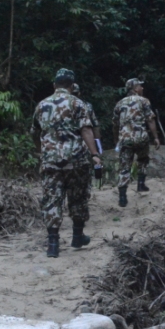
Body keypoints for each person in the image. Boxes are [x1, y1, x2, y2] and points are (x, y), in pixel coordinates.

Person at [31, 69, 103, 258]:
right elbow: (87, 130)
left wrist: (42, 151)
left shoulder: (42, 105)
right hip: (76, 160)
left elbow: (34, 132)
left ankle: (53, 244)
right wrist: (95, 153)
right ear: (71, 86)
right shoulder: (78, 103)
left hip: (50, 161)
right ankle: (77, 237)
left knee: (52, 199)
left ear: (54, 85)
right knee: (78, 198)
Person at [113, 78, 160, 206]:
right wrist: (155, 137)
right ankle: (141, 184)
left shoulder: (119, 103)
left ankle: (122, 197)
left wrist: (116, 140)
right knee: (143, 159)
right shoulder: (144, 101)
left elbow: (115, 124)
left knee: (124, 166)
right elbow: (150, 120)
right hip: (141, 137)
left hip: (125, 138)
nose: (142, 88)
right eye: (140, 86)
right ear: (134, 89)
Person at [72, 83, 103, 188]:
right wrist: (97, 146)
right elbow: (94, 126)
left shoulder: (57, 103)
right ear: (79, 93)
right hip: (85, 141)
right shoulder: (86, 106)